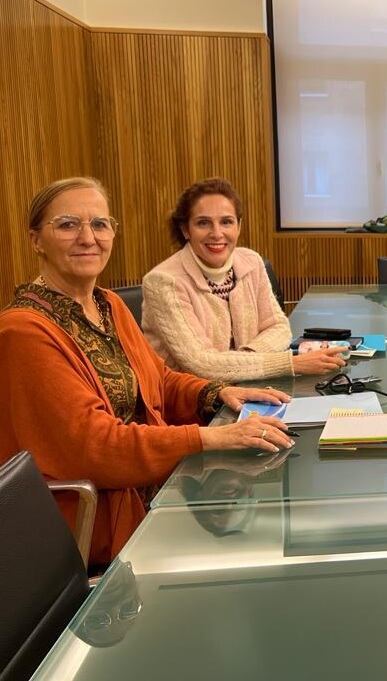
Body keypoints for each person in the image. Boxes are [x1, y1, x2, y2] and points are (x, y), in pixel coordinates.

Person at [0, 177, 296, 567]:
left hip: (152, 498)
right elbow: (97, 448)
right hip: (92, 534)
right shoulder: (22, 332)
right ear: (36, 239)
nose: (88, 238)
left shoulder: (107, 304)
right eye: (68, 224)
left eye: (100, 224)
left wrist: (216, 392)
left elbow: (157, 378)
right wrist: (209, 437)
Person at [142, 177, 346, 382]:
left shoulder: (251, 261)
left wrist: (242, 363)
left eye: (226, 222)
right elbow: (203, 365)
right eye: (203, 223)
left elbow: (279, 327)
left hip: (249, 388)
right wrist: (290, 364)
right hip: (191, 407)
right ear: (186, 229)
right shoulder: (163, 282)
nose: (216, 233)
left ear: (238, 226)